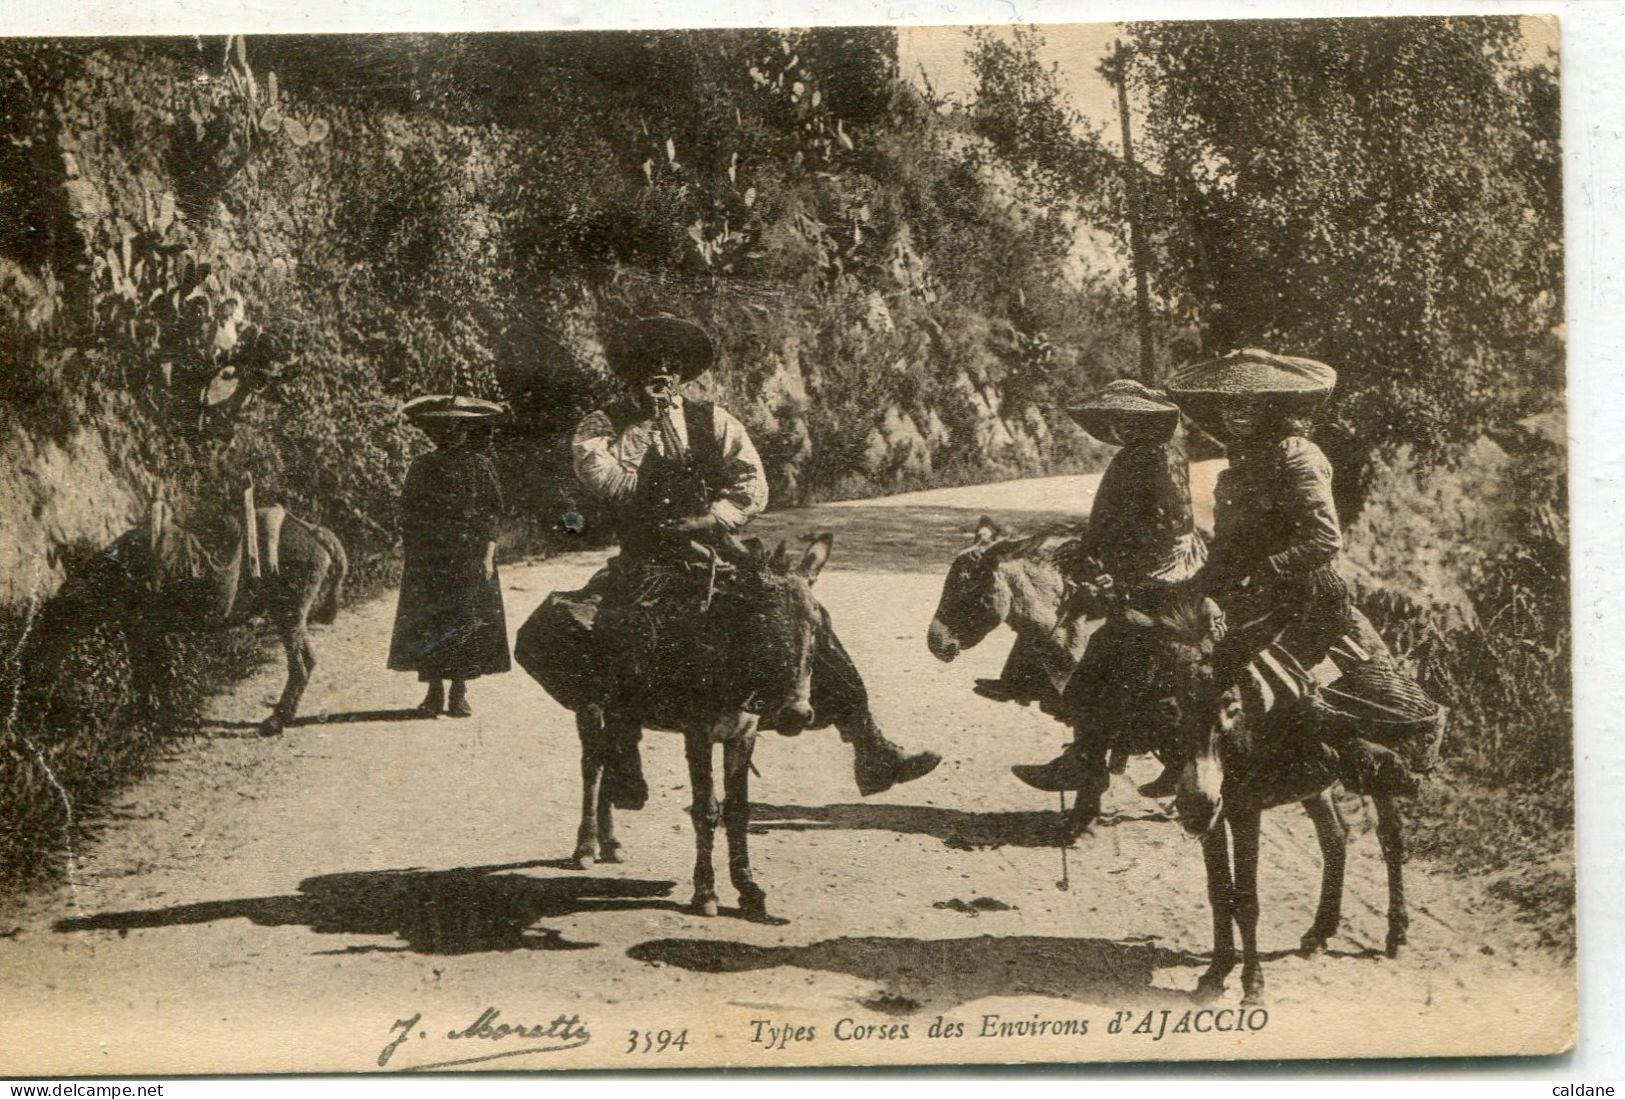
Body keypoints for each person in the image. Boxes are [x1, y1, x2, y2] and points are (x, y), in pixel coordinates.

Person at [547, 314, 938, 810]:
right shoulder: (602, 425)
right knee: (609, 632)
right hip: (646, 558)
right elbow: (606, 482)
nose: (662, 372)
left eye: (672, 364)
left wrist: (713, 518)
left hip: (716, 550)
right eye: (650, 362)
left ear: (684, 372)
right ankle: (623, 760)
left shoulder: (713, 419)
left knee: (804, 612)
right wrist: (645, 427)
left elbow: (752, 484)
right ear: (631, 370)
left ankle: (868, 742)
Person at [1134, 348, 1369, 798]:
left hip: (1307, 594)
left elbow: (1325, 540)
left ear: (1274, 407)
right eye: (1228, 405)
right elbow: (1224, 551)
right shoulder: (1237, 471)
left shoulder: (1299, 456)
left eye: (1248, 403)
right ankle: (1187, 757)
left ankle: (1311, 763)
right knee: (1170, 649)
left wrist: (1265, 570)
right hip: (1253, 595)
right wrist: (1200, 590)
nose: (1235, 414)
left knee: (1270, 681)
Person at [1008, 380, 1207, 794]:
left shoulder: (1142, 460)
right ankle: (1166, 757)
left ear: (1140, 421)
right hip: (1169, 574)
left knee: (1103, 658)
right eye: (1114, 420)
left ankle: (1085, 762)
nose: (1117, 426)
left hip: (1153, 581)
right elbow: (1124, 525)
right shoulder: (1162, 455)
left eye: (1123, 419)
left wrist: (1105, 567)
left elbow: (1146, 530)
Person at [387, 394, 512, 717]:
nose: (453, 433)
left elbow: (493, 514)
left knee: (464, 621)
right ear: (436, 432)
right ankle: (433, 693)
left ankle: (459, 692)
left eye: (460, 427)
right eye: (445, 427)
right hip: (431, 557)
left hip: (469, 556)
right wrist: (412, 549)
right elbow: (409, 511)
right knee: (432, 621)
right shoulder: (422, 466)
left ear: (468, 431)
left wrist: (487, 556)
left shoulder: (480, 466)